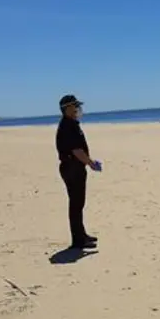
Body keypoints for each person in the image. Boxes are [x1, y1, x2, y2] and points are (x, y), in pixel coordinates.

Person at [56, 94, 101, 249]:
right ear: (67, 108)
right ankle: (78, 240)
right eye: (75, 106)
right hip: (72, 168)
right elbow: (76, 150)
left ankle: (81, 235)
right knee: (76, 204)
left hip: (75, 167)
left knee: (78, 203)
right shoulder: (68, 126)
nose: (77, 109)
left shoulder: (71, 124)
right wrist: (91, 163)